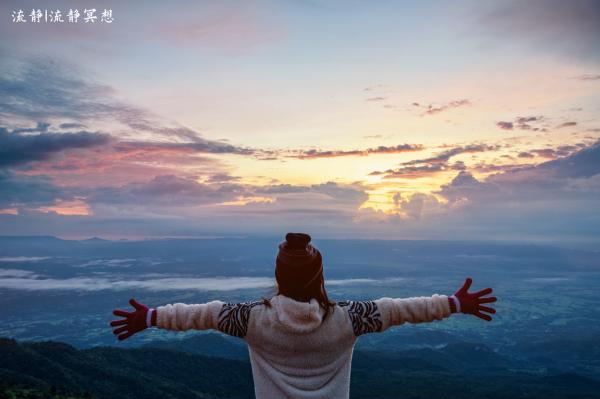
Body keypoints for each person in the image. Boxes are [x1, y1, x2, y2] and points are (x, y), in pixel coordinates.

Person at [110, 232, 497, 399]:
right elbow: (399, 310)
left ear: (278, 276)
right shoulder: (348, 319)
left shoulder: (252, 320)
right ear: (320, 278)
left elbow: (204, 315)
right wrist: (454, 303)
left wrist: (151, 317)